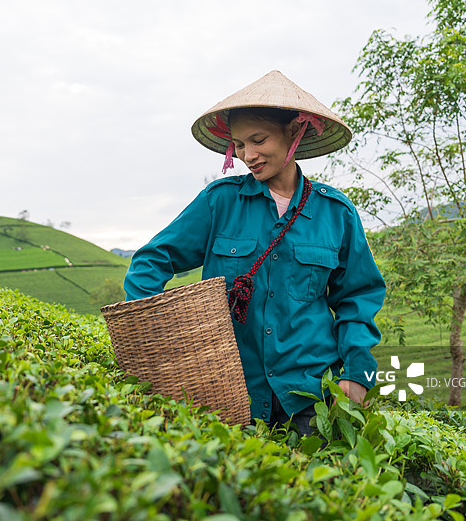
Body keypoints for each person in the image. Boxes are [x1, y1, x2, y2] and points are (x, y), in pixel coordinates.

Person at [123, 70, 386, 435]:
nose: (248, 155)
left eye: (258, 140)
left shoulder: (336, 213)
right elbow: (150, 262)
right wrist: (156, 339)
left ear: (294, 132)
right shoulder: (221, 202)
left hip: (311, 399)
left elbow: (358, 298)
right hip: (231, 395)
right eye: (239, 144)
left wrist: (359, 374)